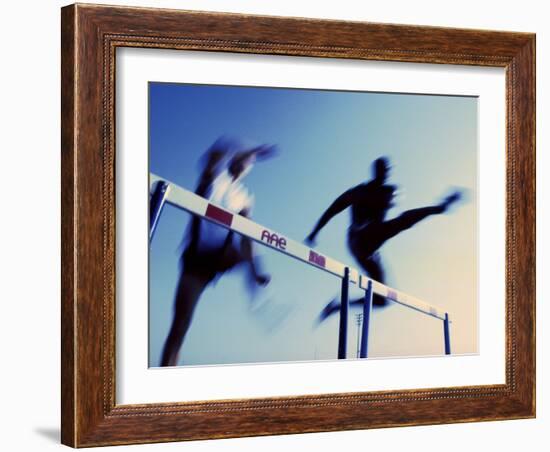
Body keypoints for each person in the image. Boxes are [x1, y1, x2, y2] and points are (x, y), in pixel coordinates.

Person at [160, 137, 276, 367]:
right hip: (196, 259)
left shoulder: (244, 196)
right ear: (234, 159)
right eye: (242, 158)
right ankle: (166, 373)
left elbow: (247, 234)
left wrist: (256, 270)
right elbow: (218, 149)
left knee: (247, 243)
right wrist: (253, 149)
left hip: (221, 256)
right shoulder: (215, 176)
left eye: (248, 162)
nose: (245, 163)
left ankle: (257, 299)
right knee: (181, 324)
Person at [305, 157, 462, 321]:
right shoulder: (358, 192)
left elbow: (400, 211)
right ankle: (363, 225)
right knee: (401, 221)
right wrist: (314, 233)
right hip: (358, 241)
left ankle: (338, 306)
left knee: (383, 300)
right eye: (384, 171)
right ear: (377, 171)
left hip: (372, 247)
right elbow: (332, 210)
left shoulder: (389, 191)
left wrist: (314, 233)